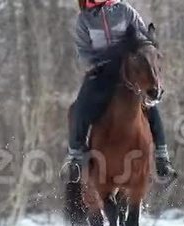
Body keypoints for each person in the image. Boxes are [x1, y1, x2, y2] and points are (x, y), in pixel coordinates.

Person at [66, 0, 177, 181]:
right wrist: (100, 62)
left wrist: (141, 52)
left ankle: (162, 158)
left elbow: (142, 36)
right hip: (101, 71)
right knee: (80, 107)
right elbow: (83, 52)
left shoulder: (125, 10)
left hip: (128, 70)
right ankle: (76, 158)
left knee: (150, 105)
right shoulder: (84, 19)